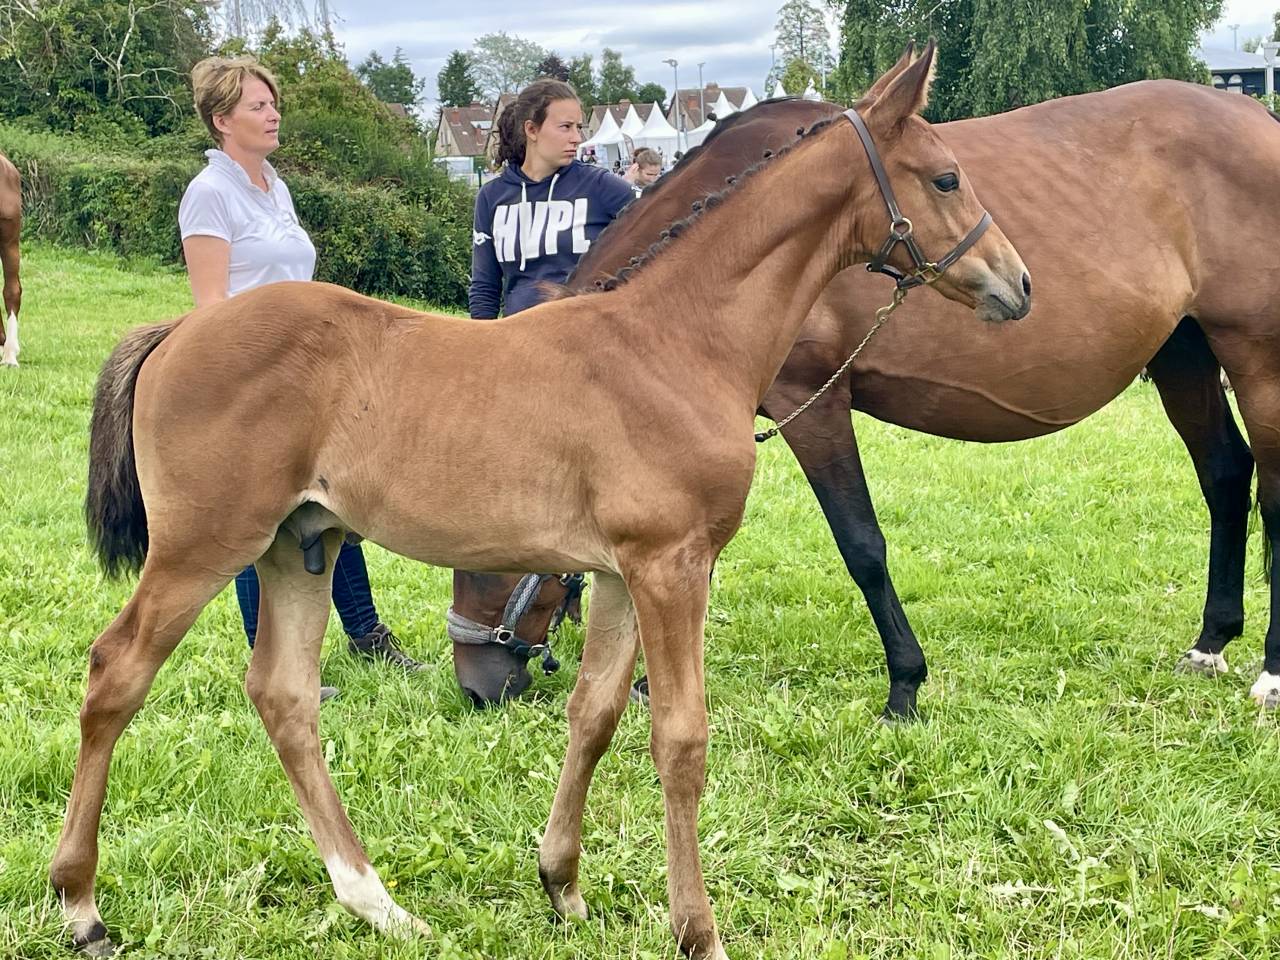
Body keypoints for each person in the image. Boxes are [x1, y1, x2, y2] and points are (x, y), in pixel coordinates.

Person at [178, 55, 424, 700]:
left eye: (272, 102)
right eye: (257, 105)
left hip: (307, 375)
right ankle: (273, 659)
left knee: (335, 503)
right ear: (222, 119)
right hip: (254, 377)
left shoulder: (273, 185)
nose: (273, 112)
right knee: (256, 521)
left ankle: (369, 635)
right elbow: (212, 308)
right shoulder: (210, 193)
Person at [467, 78, 648, 700]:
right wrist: (478, 350)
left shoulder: (604, 188)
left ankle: (629, 624)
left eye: (581, 127)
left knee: (614, 490)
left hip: (589, 362)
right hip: (517, 357)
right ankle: (549, 597)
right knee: (537, 489)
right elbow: (485, 282)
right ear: (531, 129)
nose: (578, 138)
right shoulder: (493, 197)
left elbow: (658, 243)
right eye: (567, 126)